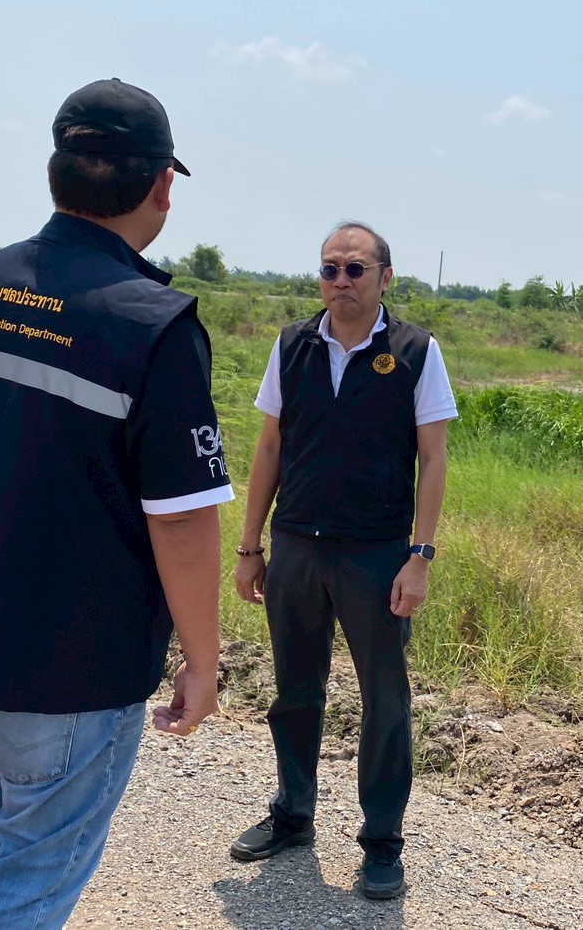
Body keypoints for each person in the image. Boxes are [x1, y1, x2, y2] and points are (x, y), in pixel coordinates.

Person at [0, 78, 231, 929]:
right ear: (163, 184)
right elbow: (185, 521)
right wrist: (202, 660)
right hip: (74, 667)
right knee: (33, 874)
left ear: (58, 171)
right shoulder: (152, 326)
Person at [229, 221, 457, 900]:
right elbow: (268, 447)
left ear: (386, 277)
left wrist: (418, 556)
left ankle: (382, 843)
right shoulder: (294, 345)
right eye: (329, 269)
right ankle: (292, 814)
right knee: (295, 692)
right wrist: (249, 547)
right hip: (298, 544)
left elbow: (434, 458)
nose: (340, 282)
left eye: (355, 269)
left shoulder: (415, 351)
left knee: (385, 701)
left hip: (376, 555)